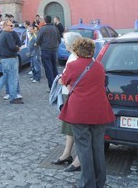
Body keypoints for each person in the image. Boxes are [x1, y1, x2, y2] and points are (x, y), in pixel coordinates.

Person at [59, 38, 115, 188]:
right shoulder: (99, 66)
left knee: (84, 148)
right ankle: (99, 182)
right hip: (99, 110)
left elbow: (63, 80)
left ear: (77, 50)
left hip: (80, 111)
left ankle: (88, 184)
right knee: (97, 147)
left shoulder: (72, 65)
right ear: (91, 51)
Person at [52, 32, 83, 172]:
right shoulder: (72, 55)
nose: (63, 43)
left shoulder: (77, 57)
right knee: (69, 128)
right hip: (69, 95)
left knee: (76, 129)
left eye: (65, 41)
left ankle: (79, 160)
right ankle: (66, 154)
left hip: (74, 96)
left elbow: (70, 78)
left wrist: (61, 80)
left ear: (71, 44)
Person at [0, 20, 23, 104]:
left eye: (13, 25)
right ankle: (13, 98)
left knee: (5, 77)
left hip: (4, 58)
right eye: (10, 25)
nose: (12, 27)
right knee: (13, 78)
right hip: (10, 59)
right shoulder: (7, 34)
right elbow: (11, 46)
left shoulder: (1, 35)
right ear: (5, 26)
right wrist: (17, 48)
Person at [35, 15, 61, 89]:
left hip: (45, 50)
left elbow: (38, 40)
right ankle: (57, 85)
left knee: (48, 69)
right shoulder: (55, 28)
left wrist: (40, 44)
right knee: (54, 68)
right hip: (54, 50)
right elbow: (59, 39)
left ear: (45, 21)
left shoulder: (43, 29)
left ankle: (52, 87)